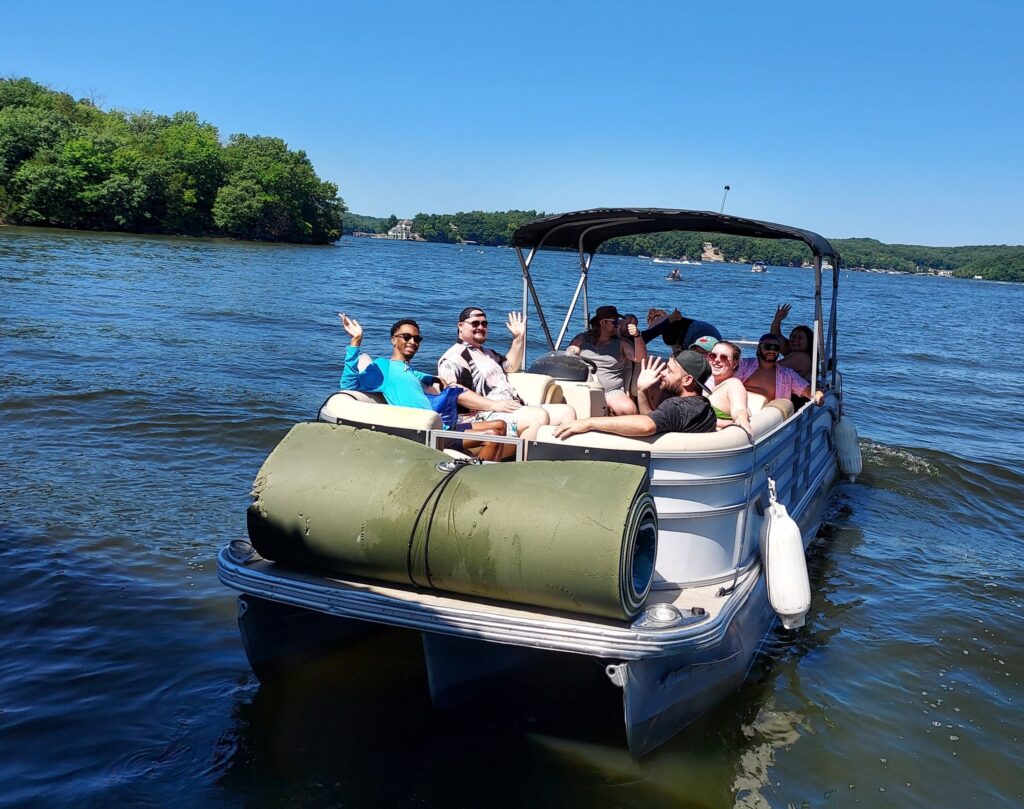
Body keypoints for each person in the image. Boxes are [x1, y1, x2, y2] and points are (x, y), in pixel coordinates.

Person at [338, 313, 508, 459]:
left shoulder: (408, 369)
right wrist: (356, 341)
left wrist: (432, 378)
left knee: (500, 425)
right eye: (406, 337)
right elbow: (348, 383)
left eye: (417, 338)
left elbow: (413, 375)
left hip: (440, 425)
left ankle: (479, 463)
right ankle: (478, 478)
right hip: (425, 433)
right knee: (492, 436)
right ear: (393, 340)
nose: (412, 341)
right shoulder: (383, 366)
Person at [437, 306, 574, 441]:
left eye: (484, 324)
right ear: (460, 326)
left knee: (566, 412)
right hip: (480, 415)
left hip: (509, 408)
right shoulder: (453, 357)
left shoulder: (488, 353)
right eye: (475, 323)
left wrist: (519, 338)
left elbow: (510, 366)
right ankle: (524, 456)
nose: (480, 327)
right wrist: (494, 405)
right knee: (537, 416)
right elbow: (453, 392)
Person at [553, 351, 716, 440]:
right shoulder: (704, 408)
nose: (663, 373)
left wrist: (589, 423)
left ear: (687, 380)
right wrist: (641, 391)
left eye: (669, 370)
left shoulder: (678, 407)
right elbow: (655, 420)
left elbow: (647, 425)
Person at [566, 305, 647, 415]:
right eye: (615, 322)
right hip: (583, 386)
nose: (618, 325)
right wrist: (571, 352)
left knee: (630, 410)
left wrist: (637, 336)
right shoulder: (582, 338)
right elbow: (572, 350)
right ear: (603, 322)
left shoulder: (621, 343)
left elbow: (640, 358)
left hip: (611, 391)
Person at [738, 333, 824, 406]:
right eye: (767, 346)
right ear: (759, 348)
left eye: (775, 348)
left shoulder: (787, 375)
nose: (771, 351)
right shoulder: (744, 365)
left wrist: (818, 395)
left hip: (770, 417)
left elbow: (808, 390)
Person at [705, 341, 753, 435]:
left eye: (724, 357)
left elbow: (739, 409)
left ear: (734, 363)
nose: (716, 360)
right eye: (713, 355)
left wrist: (742, 419)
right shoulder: (706, 382)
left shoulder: (733, 384)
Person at [642, 307, 722, 352]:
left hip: (698, 334)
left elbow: (646, 336)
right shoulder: (681, 324)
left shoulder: (661, 321)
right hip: (713, 335)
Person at [769, 303, 814, 380]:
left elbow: (770, 369)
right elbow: (776, 336)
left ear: (808, 342)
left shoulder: (802, 357)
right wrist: (777, 320)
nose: (796, 339)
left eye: (800, 338)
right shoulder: (792, 352)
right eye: (793, 336)